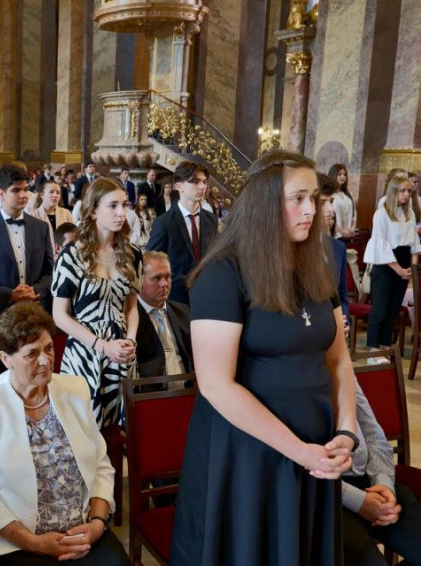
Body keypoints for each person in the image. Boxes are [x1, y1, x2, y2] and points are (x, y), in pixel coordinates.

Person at [171, 150, 358, 565]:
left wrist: (346, 433)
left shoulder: (316, 265)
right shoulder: (223, 273)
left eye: (315, 199)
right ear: (264, 202)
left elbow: (338, 361)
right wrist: (299, 451)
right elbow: (216, 385)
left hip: (318, 450)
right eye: (298, 199)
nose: (312, 211)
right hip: (248, 454)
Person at [0, 303, 129, 566]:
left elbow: (101, 465)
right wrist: (33, 542)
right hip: (17, 541)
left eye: (48, 348)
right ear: (6, 359)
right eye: (32, 354)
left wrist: (97, 524)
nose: (45, 361)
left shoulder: (74, 389)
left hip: (82, 530)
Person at [51, 177, 138, 430]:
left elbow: (131, 308)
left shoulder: (133, 254)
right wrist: (101, 345)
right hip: (85, 352)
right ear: (93, 211)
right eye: (113, 206)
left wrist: (130, 341)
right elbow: (60, 315)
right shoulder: (72, 254)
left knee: (121, 432)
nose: (121, 213)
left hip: (121, 351)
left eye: (124, 205)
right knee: (84, 431)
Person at [341, 383, 421, 566]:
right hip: (321, 494)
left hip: (369, 482)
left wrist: (384, 485)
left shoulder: (343, 371)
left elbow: (374, 436)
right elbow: (293, 466)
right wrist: (359, 501)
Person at [0, 165, 55, 321]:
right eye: (16, 190)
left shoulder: (41, 228)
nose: (23, 195)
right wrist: (9, 295)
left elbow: (50, 273)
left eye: (25, 189)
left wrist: (34, 290)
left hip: (33, 310)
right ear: (1, 194)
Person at [147, 161, 219, 304]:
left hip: (209, 295)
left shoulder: (211, 220)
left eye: (204, 182)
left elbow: (215, 255)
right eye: (195, 182)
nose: (202, 187)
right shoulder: (164, 223)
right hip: (177, 299)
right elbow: (153, 265)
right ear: (179, 186)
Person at [363, 174, 420, 351]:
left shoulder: (410, 213)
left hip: (404, 261)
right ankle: (373, 348)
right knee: (380, 308)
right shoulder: (382, 214)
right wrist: (398, 269)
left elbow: (414, 243)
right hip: (386, 264)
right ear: (393, 191)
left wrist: (411, 268)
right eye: (402, 191)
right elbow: (381, 246)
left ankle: (385, 345)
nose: (406, 194)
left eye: (409, 191)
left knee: (393, 309)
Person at [134, 251, 193, 378]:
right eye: (157, 278)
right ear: (139, 280)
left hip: (189, 386)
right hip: (150, 388)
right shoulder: (130, 317)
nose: (164, 284)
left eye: (168, 277)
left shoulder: (183, 312)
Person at [318, 173, 350, 327]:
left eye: (331, 201)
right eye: (322, 202)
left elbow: (342, 296)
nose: (331, 209)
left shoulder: (338, 248)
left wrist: (344, 320)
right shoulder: (295, 247)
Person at [30, 179, 74, 255]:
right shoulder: (33, 216)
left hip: (64, 255)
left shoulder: (66, 213)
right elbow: (32, 242)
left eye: (58, 193)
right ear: (42, 195)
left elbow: (73, 237)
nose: (55, 195)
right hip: (42, 257)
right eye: (51, 192)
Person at [328, 163, 356, 239]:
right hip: (335, 236)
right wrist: (342, 232)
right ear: (333, 175)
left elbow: (354, 215)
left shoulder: (348, 194)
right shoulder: (329, 194)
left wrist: (352, 228)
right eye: (339, 174)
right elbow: (329, 219)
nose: (343, 177)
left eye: (345, 175)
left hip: (349, 236)